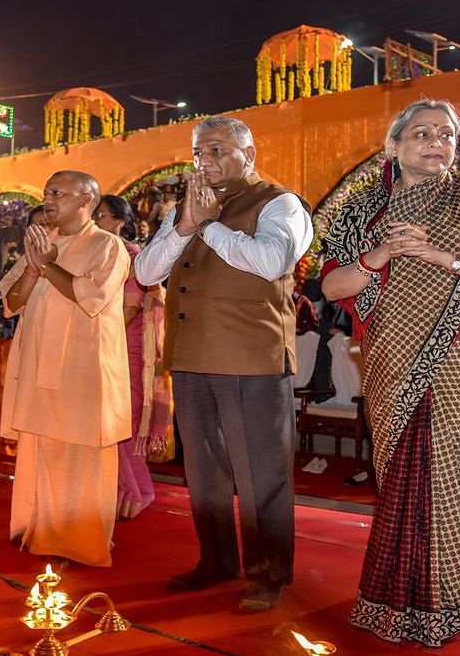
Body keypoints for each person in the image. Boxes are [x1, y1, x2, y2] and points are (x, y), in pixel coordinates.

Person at [320, 100, 460, 646]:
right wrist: (380, 255)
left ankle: (457, 599)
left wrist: (448, 259)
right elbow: (331, 287)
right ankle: (393, 597)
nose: (436, 142)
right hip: (391, 354)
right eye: (421, 133)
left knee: (458, 476)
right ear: (393, 145)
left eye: (446, 134)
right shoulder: (362, 211)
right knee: (400, 479)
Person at [136, 116, 313, 612]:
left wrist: (209, 225)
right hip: (191, 355)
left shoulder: (280, 202)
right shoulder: (185, 208)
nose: (204, 161)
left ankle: (267, 574)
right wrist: (185, 226)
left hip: (250, 356)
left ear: (249, 154)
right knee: (204, 469)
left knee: (261, 472)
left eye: (216, 150)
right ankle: (216, 560)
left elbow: (271, 262)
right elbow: (146, 271)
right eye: (198, 152)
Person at [0, 170, 131, 567]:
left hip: (82, 369)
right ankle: (35, 527)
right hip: (38, 363)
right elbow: (12, 301)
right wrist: (35, 267)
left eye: (58, 192)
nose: (49, 199)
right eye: (46, 192)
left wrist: (49, 266)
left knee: (79, 454)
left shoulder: (107, 245)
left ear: (86, 200)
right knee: (39, 447)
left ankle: (79, 540)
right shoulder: (43, 242)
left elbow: (90, 296)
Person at [93, 194, 171, 520]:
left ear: (120, 222)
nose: (94, 221)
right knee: (108, 422)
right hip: (106, 347)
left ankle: (134, 493)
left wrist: (94, 342)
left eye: (101, 216)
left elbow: (128, 309)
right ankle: (126, 491)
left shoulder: (133, 256)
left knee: (121, 423)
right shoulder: (99, 254)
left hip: (125, 350)